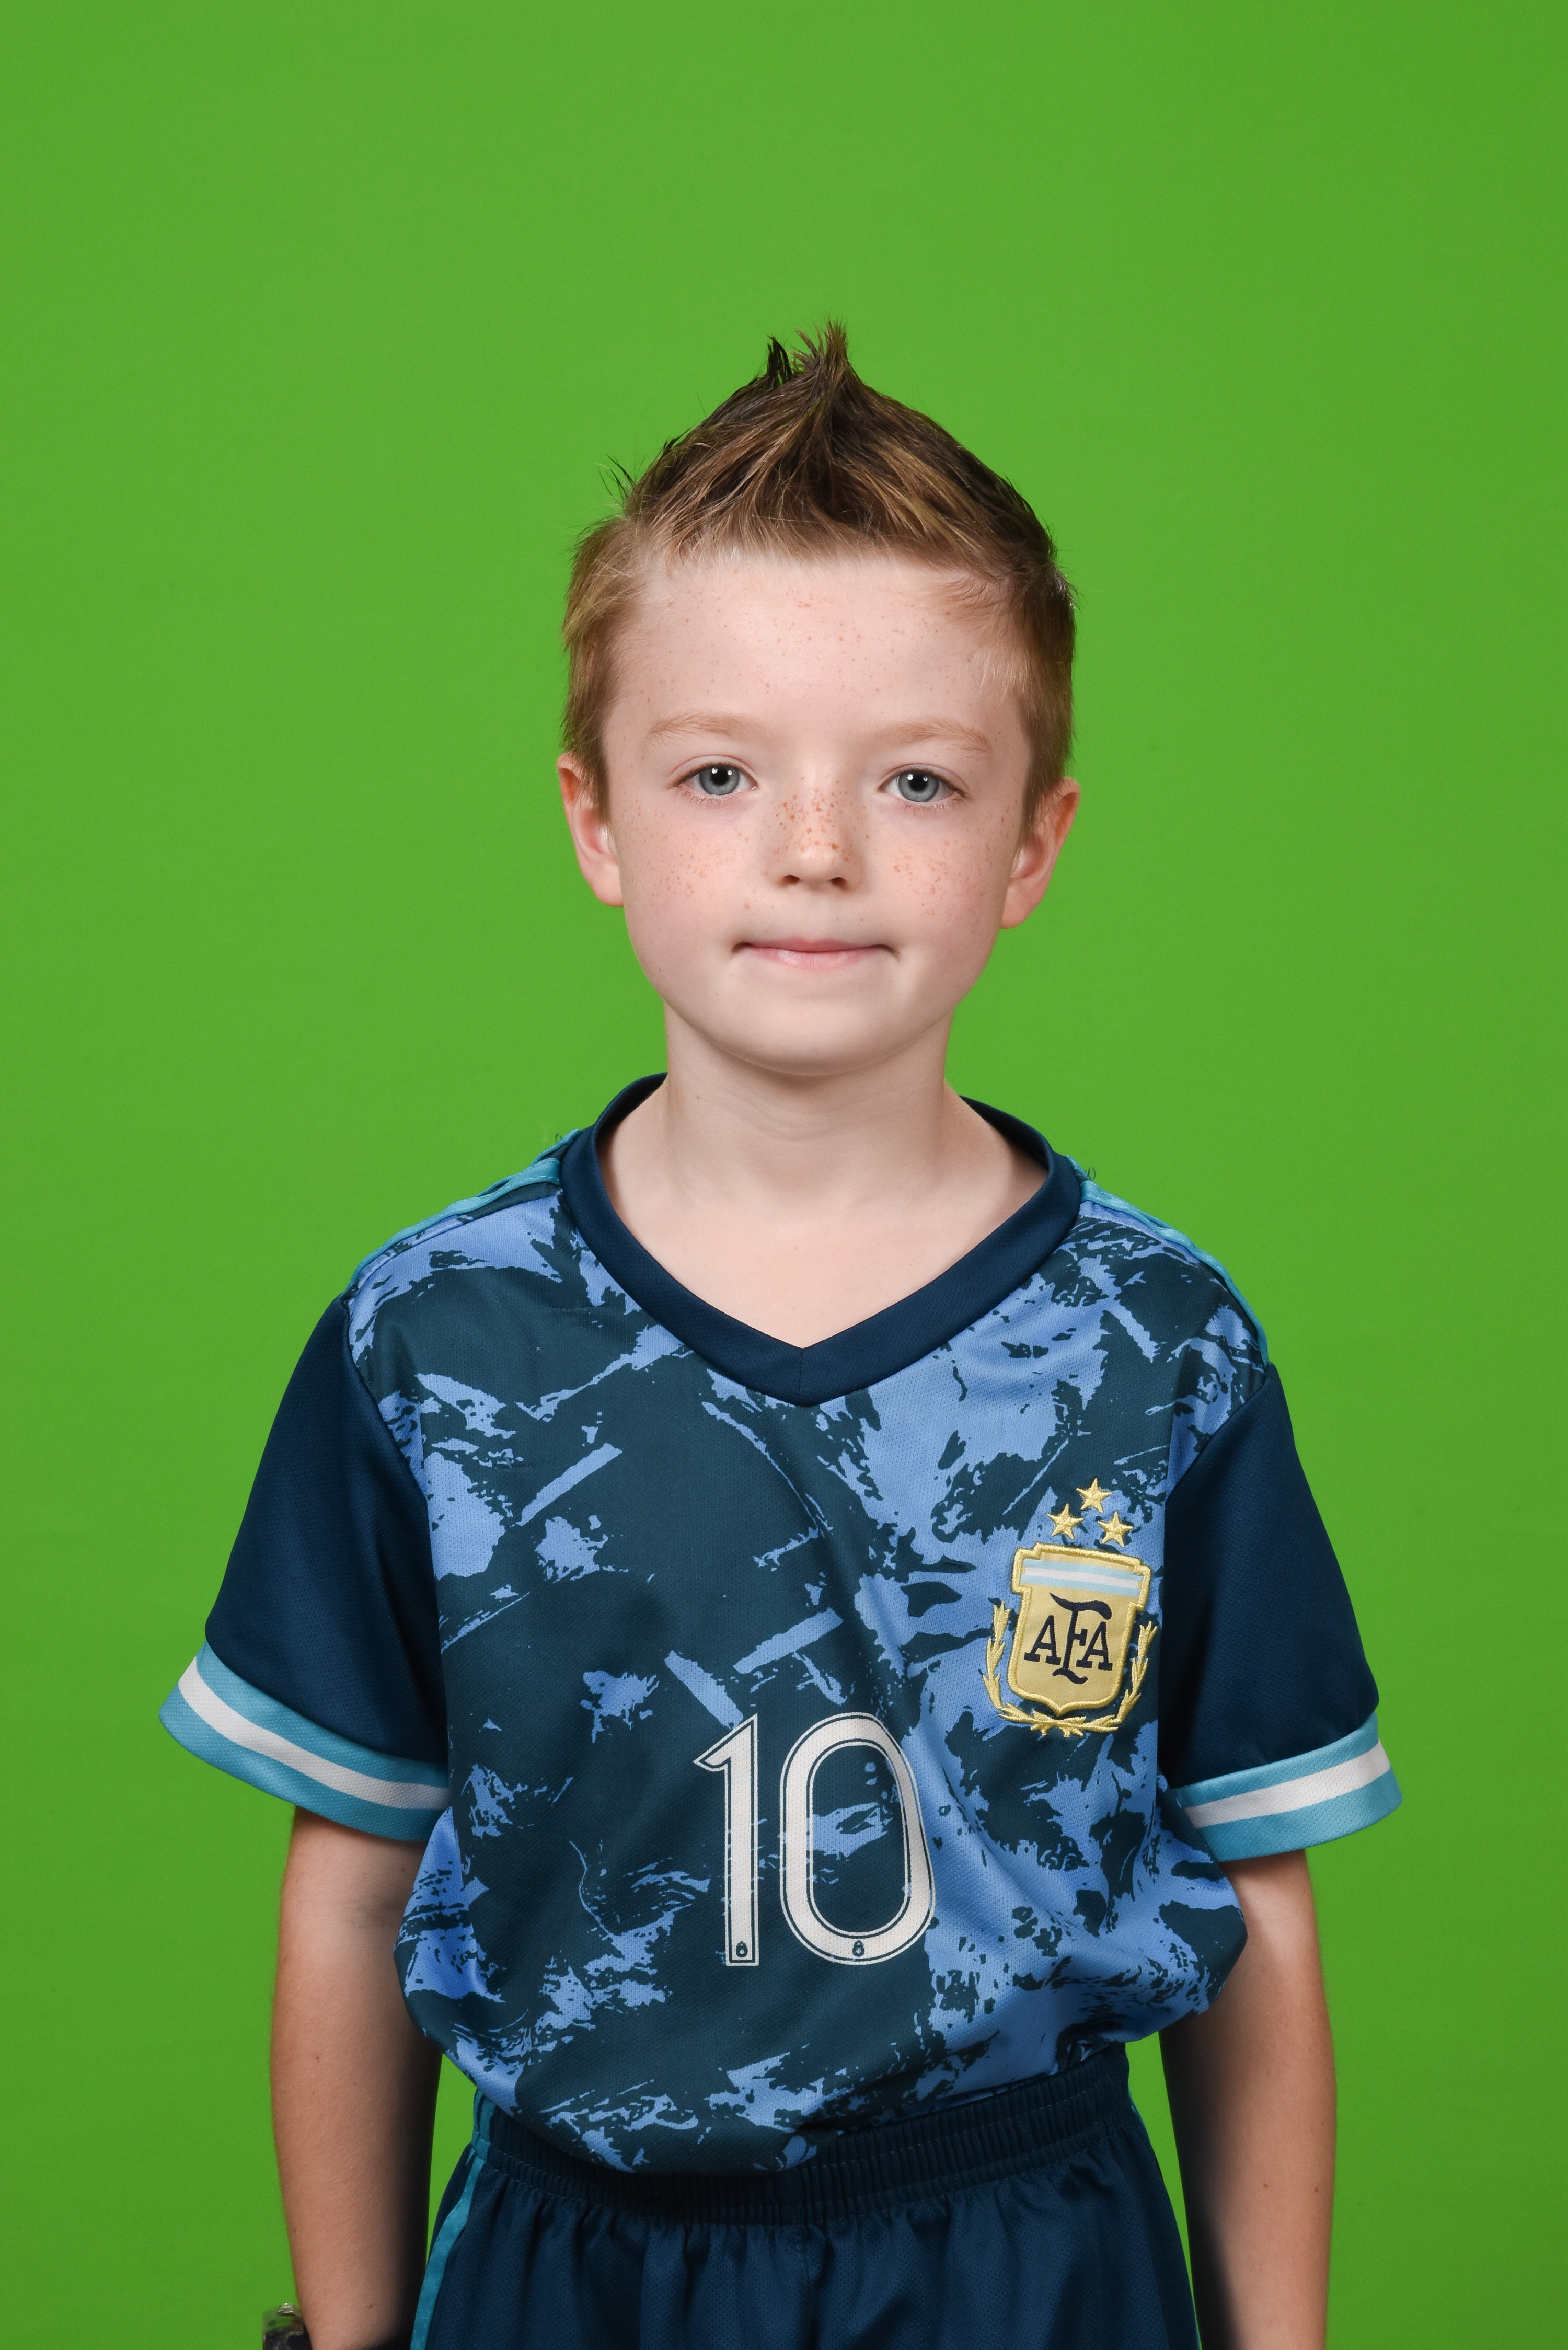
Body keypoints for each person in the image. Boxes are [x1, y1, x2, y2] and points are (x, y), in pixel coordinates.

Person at [162, 327, 1400, 2350]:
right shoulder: (439, 1339)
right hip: (577, 2262)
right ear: (597, 821)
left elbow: (1252, 1887)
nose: (816, 847)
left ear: (1034, 842)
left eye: (914, 779)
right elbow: (357, 1874)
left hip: (1031, 2257)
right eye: (722, 773)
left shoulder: (1156, 1342)